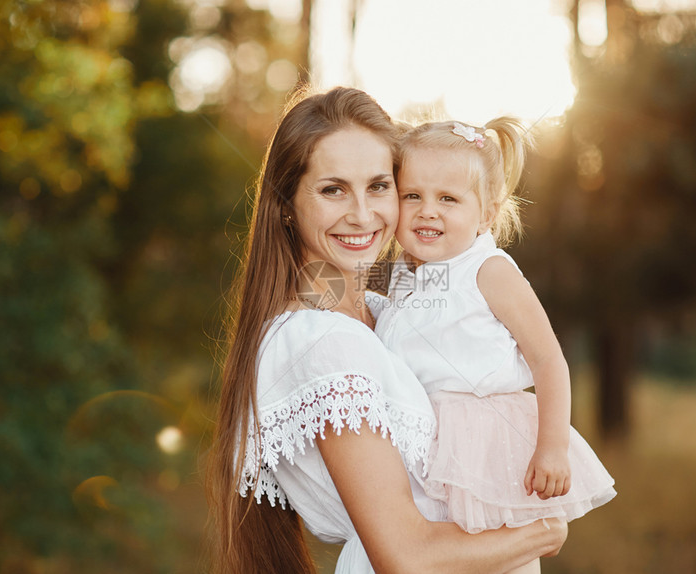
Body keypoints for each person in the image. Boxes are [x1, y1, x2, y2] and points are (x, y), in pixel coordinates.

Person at [205, 87, 567, 574]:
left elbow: (349, 281)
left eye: (379, 186)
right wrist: (542, 532)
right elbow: (407, 556)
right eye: (333, 189)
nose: (362, 213)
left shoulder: (382, 301)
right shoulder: (322, 344)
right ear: (285, 203)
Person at [373, 118, 617, 573]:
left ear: (485, 214)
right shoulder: (407, 272)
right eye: (413, 196)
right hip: (423, 444)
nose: (428, 210)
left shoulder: (489, 270)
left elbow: (548, 360)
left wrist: (552, 446)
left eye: (448, 198)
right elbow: (336, 287)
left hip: (486, 446)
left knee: (495, 559)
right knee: (430, 548)